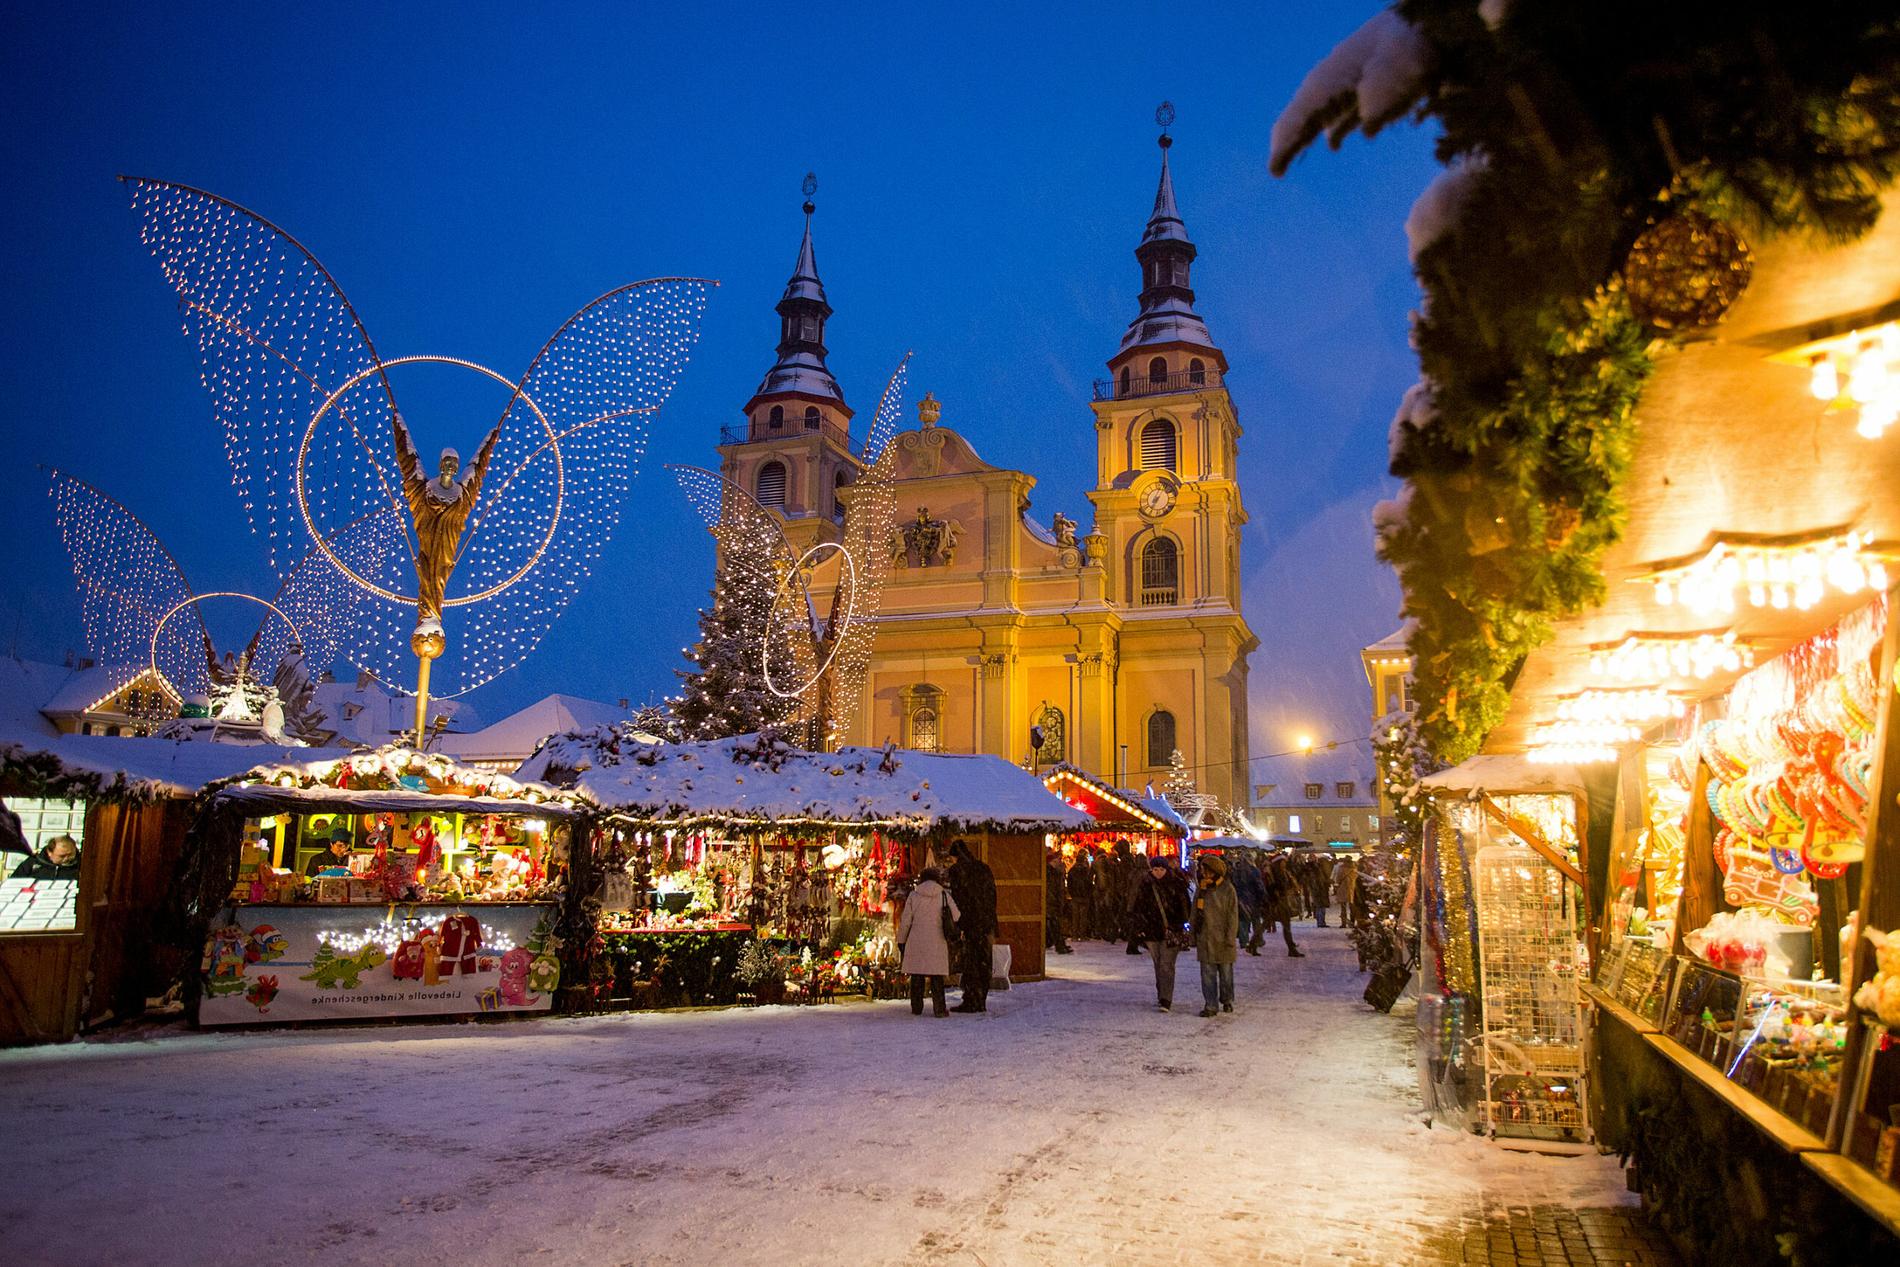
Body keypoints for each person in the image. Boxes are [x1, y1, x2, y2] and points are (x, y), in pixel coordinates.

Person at [1128, 853, 1191, 1011]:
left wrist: (1178, 923)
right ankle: (1161, 993)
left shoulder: (1176, 884)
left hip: (1171, 930)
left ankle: (1165, 999)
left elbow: (1185, 906)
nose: (1158, 872)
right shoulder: (1146, 885)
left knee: (1166, 965)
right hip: (1151, 930)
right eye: (1155, 869)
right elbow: (1139, 907)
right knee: (1158, 964)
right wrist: (1140, 926)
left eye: (1161, 869)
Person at [896, 867, 959, 1017]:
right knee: (937, 977)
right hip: (938, 939)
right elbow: (956, 915)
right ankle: (939, 1009)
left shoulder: (914, 895)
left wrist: (901, 940)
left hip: (917, 939)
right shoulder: (943, 894)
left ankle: (916, 1007)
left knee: (917, 975)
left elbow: (906, 921)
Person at [945, 840, 997, 1013]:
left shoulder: (957, 871)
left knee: (971, 962)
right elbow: (992, 895)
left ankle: (971, 999)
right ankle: (981, 999)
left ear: (955, 856)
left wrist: (959, 923)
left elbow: (958, 899)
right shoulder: (984, 868)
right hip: (986, 922)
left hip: (971, 922)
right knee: (984, 961)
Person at [1193, 853, 1240, 1016]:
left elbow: (1233, 915)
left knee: (1226, 974)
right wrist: (1193, 934)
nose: (1204, 873)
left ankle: (1226, 999)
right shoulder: (1202, 889)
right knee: (1207, 975)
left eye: (1206, 870)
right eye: (1202, 870)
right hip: (1205, 938)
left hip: (1223, 939)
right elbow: (1195, 913)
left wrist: (1230, 937)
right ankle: (1210, 1005)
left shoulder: (1228, 889)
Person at [1265, 855, 1305, 957]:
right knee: (1286, 926)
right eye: (1282, 862)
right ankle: (1291, 949)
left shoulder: (1284, 873)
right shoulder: (1274, 874)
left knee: (1268, 923)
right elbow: (1272, 888)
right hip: (1279, 903)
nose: (1284, 863)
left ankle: (1253, 944)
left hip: (1283, 902)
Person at [11, 834, 79, 880]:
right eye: (62, 856)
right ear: (49, 852)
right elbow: (13, 884)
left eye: (70, 854)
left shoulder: (82, 865)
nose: (66, 858)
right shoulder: (32, 863)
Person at [1044, 847, 1073, 955]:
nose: (1058, 862)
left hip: (1054, 901)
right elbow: (1053, 888)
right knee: (1054, 924)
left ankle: (1057, 943)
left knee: (1053, 924)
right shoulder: (1050, 873)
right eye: (1056, 860)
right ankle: (1059, 944)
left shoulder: (1053, 872)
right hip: (1052, 901)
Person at [1332, 856, 1360, 931]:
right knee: (1352, 907)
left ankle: (1343, 923)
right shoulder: (1354, 869)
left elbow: (1338, 879)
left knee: (1343, 907)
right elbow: (1357, 878)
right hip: (1352, 889)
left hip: (1342, 889)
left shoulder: (1341, 868)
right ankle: (1352, 922)